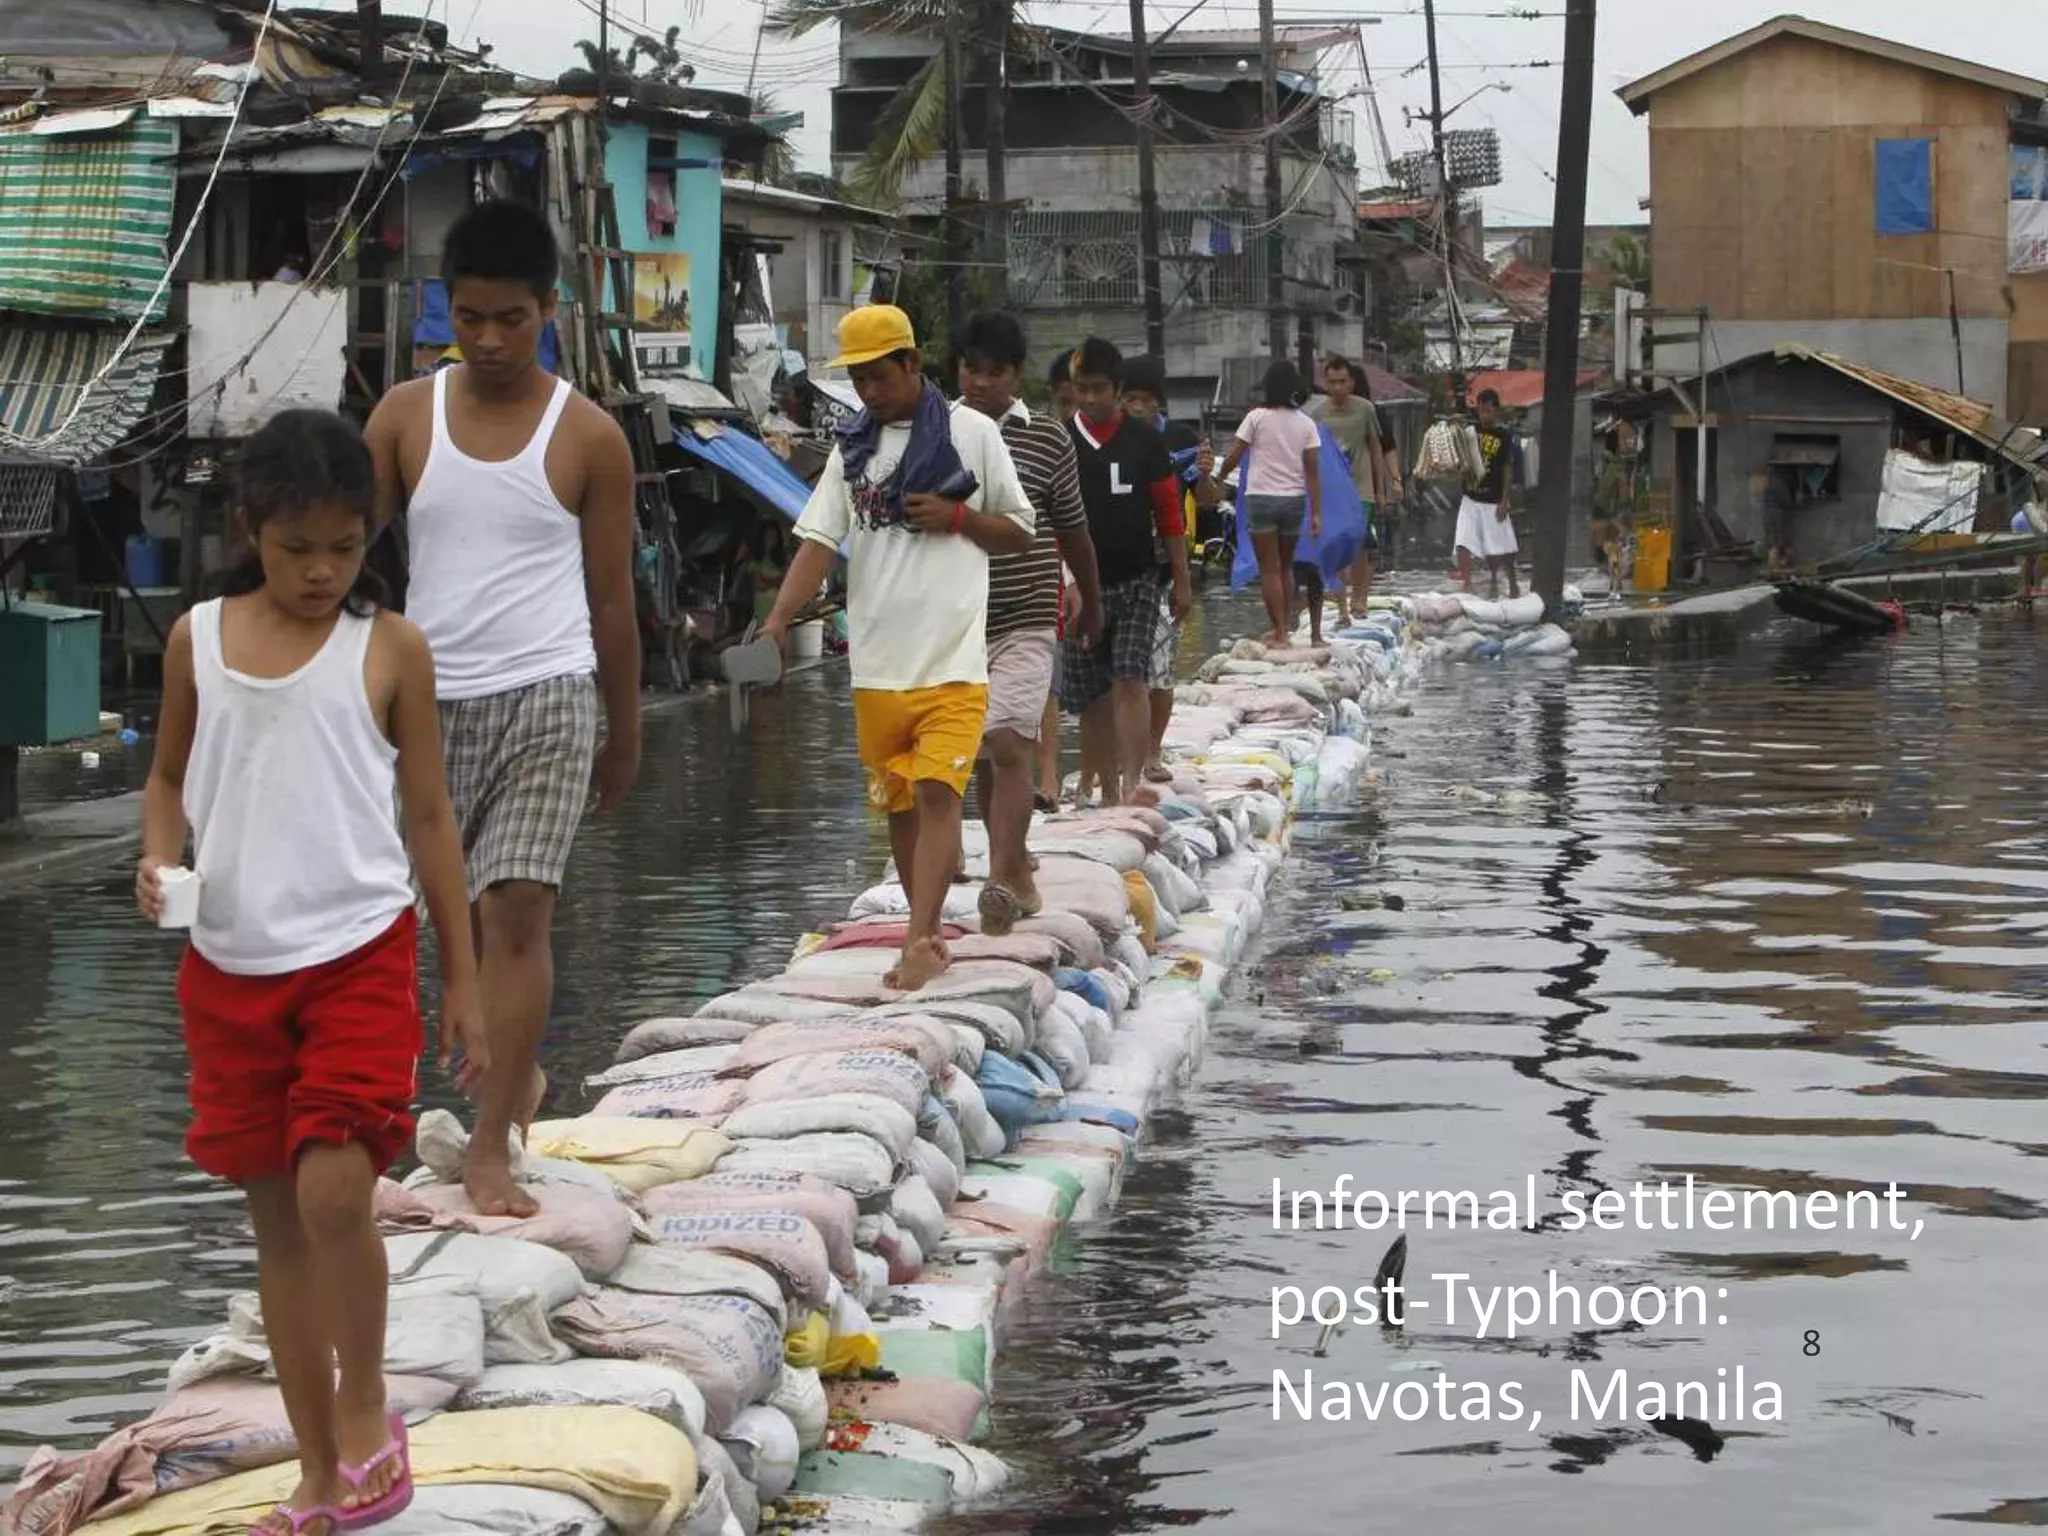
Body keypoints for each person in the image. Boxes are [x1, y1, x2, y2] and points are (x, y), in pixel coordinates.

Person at [137, 411, 486, 1536]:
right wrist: (157, 859)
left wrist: (462, 979)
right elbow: (165, 778)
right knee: (275, 1221)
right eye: (298, 549)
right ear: (250, 531)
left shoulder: (390, 649)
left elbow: (429, 817)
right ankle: (317, 1476)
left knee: (338, 1190)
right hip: (228, 964)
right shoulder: (197, 637)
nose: (322, 571)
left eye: (344, 546)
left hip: (358, 952)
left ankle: (367, 1399)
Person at [366, 199, 641, 1219]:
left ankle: (493, 1146)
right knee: (438, 924)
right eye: (467, 318)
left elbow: (612, 601)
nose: (486, 340)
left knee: (513, 911)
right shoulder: (403, 417)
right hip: (431, 705)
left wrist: (626, 732)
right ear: (445, 310)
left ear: (549, 311)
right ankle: (496, 1079)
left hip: (550, 690)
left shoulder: (589, 437)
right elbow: (341, 555)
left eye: (509, 319)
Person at [762, 304, 1033, 989]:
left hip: (952, 663)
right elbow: (819, 542)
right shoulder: (853, 450)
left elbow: (1019, 529)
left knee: (941, 790)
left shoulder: (972, 434)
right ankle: (929, 926)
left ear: (912, 363)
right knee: (902, 808)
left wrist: (960, 517)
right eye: (857, 381)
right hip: (878, 667)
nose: (868, 393)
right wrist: (775, 623)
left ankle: (918, 939)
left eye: (878, 377)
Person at [955, 311, 1103, 933]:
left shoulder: (1047, 438)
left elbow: (1071, 526)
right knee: (986, 757)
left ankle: (998, 878)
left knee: (1011, 741)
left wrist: (1090, 598)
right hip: (956, 621)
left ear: (1016, 376)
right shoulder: (936, 433)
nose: (982, 383)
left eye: (996, 373)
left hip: (1027, 614)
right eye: (971, 370)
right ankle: (1012, 866)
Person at [1061, 337, 1193, 807]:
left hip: (1137, 578)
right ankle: (1104, 785)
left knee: (1130, 677)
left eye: (1099, 389)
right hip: (1079, 585)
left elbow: (1169, 514)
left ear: (1117, 389)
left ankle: (1134, 778)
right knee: (1091, 695)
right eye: (1082, 389)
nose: (1090, 398)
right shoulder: (1062, 440)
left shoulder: (1145, 441)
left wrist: (1181, 580)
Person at [1119, 356, 1217, 782]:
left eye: (1146, 401)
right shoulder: (1109, 439)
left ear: (1159, 404)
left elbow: (1209, 500)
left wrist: (1210, 474)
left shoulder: (1179, 441)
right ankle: (1120, 761)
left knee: (1159, 670)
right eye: (1130, 400)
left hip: (1161, 569)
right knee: (1120, 674)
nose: (1137, 408)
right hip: (1117, 566)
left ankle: (1152, 752)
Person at [1219, 359, 1322, 647]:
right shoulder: (1307, 424)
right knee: (1286, 566)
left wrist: (1220, 477)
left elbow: (1234, 455)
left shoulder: (1256, 417)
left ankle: (1278, 632)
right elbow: (1313, 471)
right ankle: (1284, 630)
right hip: (1294, 501)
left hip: (1261, 498)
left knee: (1269, 569)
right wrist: (1317, 513)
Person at [1307, 356, 1390, 625]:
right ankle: (1343, 607)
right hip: (1333, 491)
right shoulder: (1317, 414)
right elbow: (1312, 455)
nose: (1338, 387)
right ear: (1325, 383)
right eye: (1332, 383)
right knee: (1339, 547)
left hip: (1361, 489)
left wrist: (1381, 489)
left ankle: (1360, 599)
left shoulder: (1365, 410)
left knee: (1360, 544)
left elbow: (1377, 449)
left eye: (1343, 382)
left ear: (1351, 383)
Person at [1454, 388, 1520, 599]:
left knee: (1503, 545)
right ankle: (1467, 583)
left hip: (1493, 498)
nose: (1485, 416)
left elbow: (1507, 469)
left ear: (1496, 411)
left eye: (1489, 411)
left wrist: (1504, 500)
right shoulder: (1471, 433)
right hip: (1471, 497)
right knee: (1462, 540)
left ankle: (1510, 582)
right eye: (1481, 411)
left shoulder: (1504, 436)